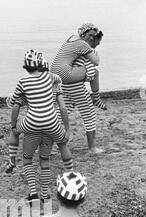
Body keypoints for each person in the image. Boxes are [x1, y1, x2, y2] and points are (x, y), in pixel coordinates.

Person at [9, 50, 73, 204]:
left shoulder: (22, 82)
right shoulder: (50, 78)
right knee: (48, 156)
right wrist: (67, 128)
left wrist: (14, 126)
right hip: (51, 123)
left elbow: (15, 107)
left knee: (27, 157)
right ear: (40, 65)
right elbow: (63, 107)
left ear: (25, 67)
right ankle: (46, 194)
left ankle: (32, 193)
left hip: (31, 123)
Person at [51, 23, 106, 154]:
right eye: (92, 36)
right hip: (71, 79)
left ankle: (50, 148)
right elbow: (96, 61)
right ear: (87, 35)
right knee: (90, 115)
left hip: (58, 80)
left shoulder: (72, 39)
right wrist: (95, 53)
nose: (95, 41)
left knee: (59, 115)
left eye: (95, 37)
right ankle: (92, 148)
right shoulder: (84, 45)